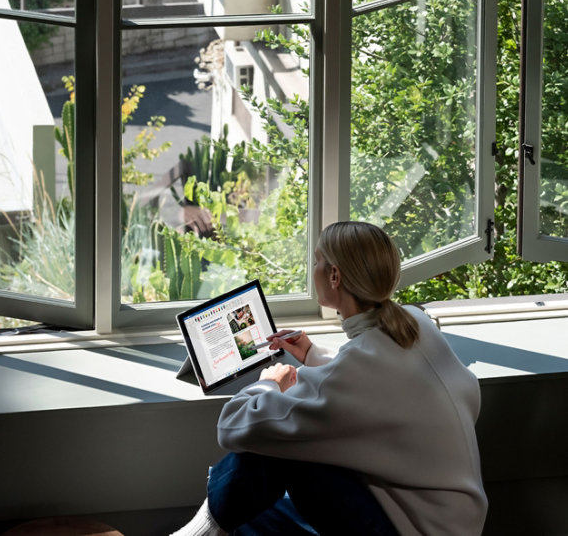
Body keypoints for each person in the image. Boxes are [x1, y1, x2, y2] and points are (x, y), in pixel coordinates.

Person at [172, 221, 487, 535]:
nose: (314, 270)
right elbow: (378, 380)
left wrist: (269, 383)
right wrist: (312, 354)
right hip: (455, 520)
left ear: (334, 276)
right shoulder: (417, 323)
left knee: (275, 448)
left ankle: (195, 533)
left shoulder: (352, 370)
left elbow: (233, 426)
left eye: (317, 262)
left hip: (415, 529)